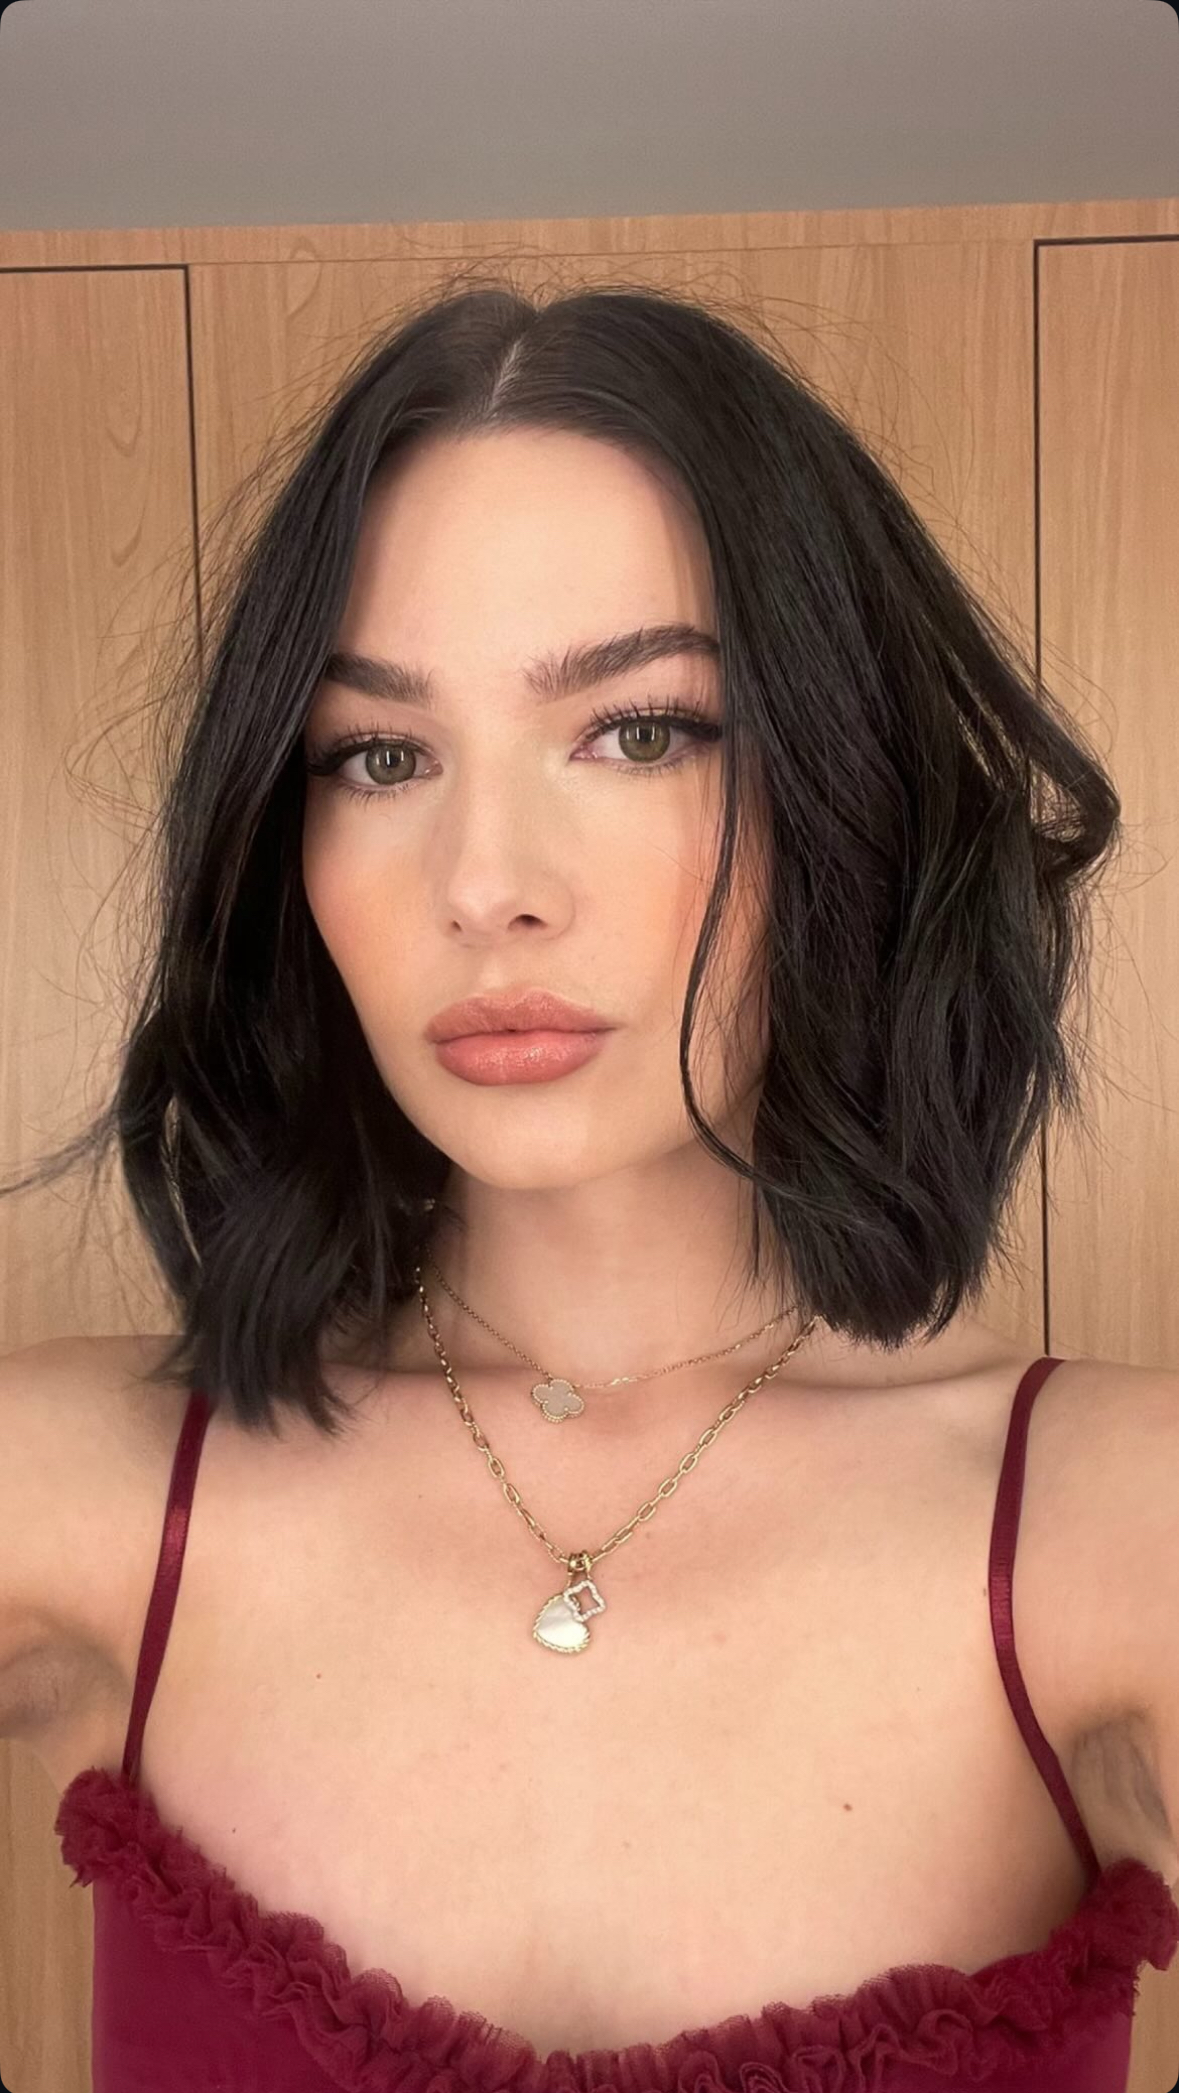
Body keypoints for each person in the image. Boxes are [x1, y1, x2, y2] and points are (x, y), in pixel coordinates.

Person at [3, 276, 1176, 2091]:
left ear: (842, 785)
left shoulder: (1113, 1530)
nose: (487, 882)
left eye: (639, 729)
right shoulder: (73, 1494)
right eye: (381, 754)